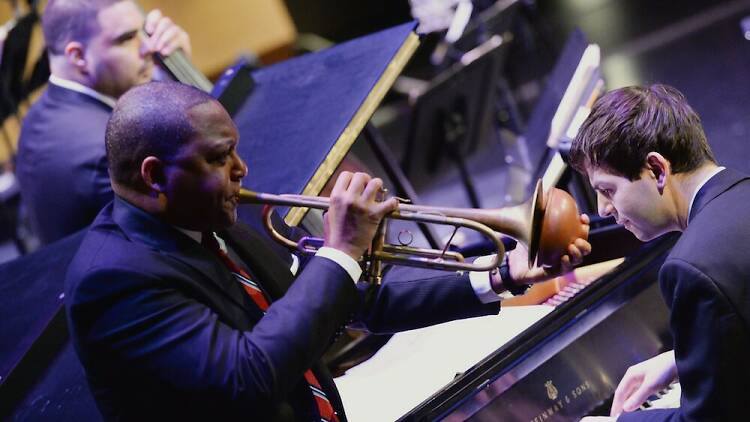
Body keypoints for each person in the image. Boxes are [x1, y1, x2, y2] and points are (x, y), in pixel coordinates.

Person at [65, 81, 591, 421]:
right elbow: (251, 377)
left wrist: (501, 277)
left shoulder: (205, 218)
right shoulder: (113, 280)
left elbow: (355, 305)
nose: (242, 170)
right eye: (220, 158)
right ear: (155, 175)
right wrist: (340, 251)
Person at [572, 84, 749, 421]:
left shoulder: (692, 267)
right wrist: (681, 359)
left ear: (657, 169)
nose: (603, 209)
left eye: (608, 190)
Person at [15, 0, 191, 244]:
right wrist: (185, 89)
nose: (149, 47)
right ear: (78, 56)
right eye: (127, 38)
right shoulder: (111, 153)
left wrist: (175, 71)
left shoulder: (41, 114)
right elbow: (190, 227)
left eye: (143, 31)